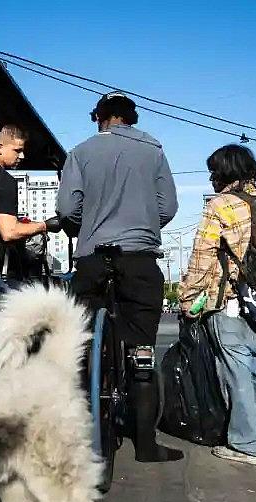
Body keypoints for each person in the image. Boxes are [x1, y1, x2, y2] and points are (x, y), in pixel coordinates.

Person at [177, 144, 256, 465]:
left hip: (230, 301)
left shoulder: (220, 206)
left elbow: (202, 257)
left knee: (236, 370)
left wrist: (188, 297)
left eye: (213, 172)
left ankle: (247, 444)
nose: (210, 178)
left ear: (225, 173)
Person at [57, 92, 177, 349]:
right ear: (130, 118)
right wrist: (143, 226)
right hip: (140, 260)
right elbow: (167, 207)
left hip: (93, 261)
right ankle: (141, 370)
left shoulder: (79, 153)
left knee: (84, 344)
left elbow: (67, 210)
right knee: (141, 347)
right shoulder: (154, 151)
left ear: (99, 117)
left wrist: (87, 226)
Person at [0, 124, 60, 276]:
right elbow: (9, 232)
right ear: (0, 147)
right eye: (17, 150)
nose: (22, 156)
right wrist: (45, 225)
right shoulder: (4, 181)